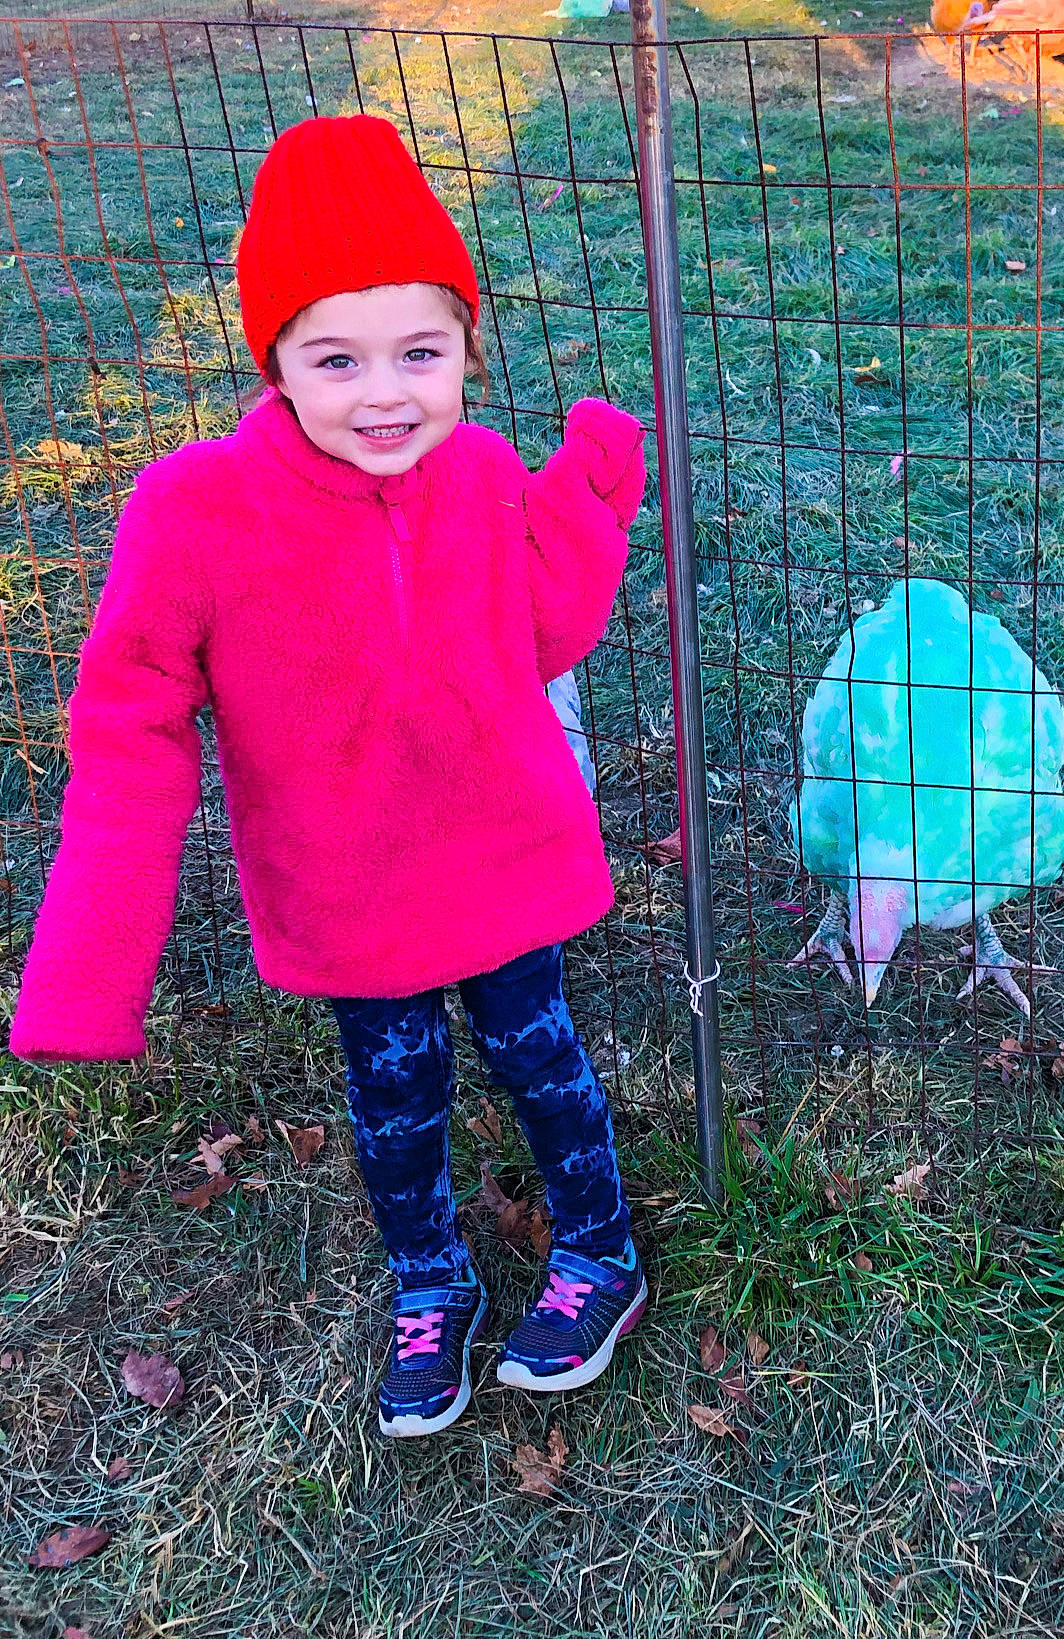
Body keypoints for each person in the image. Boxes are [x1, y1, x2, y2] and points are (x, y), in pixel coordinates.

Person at [7, 115, 649, 1438]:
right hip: (349, 889)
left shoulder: (472, 468)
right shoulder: (193, 517)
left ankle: (600, 1251)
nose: (386, 394)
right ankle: (432, 1281)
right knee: (396, 1095)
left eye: (424, 351)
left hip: (501, 852)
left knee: (544, 1060)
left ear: (468, 350)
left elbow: (537, 631)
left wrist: (584, 499)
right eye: (335, 357)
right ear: (276, 362)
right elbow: (129, 730)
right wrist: (88, 962)